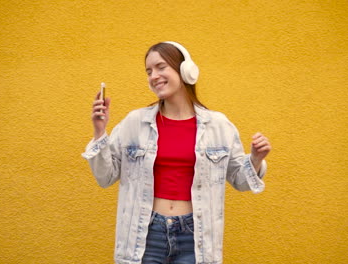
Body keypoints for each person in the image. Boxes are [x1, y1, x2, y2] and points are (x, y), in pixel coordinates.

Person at [82, 41, 271, 264]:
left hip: (195, 236)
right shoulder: (134, 122)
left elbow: (241, 181)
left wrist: (256, 160)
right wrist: (99, 133)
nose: (154, 76)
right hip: (145, 234)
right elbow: (105, 177)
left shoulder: (218, 126)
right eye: (149, 71)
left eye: (161, 67)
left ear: (185, 70)